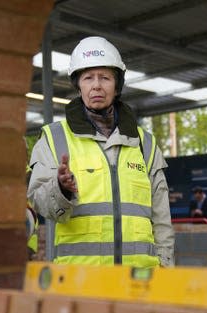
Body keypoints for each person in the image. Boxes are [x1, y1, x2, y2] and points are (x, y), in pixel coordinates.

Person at [27, 36, 174, 267]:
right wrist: (60, 189)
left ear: (117, 86)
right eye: (88, 78)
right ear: (79, 85)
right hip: (81, 282)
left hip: (140, 281)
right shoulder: (54, 139)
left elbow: (162, 217)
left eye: (105, 77)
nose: (96, 85)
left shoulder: (144, 143)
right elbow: (39, 203)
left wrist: (166, 269)